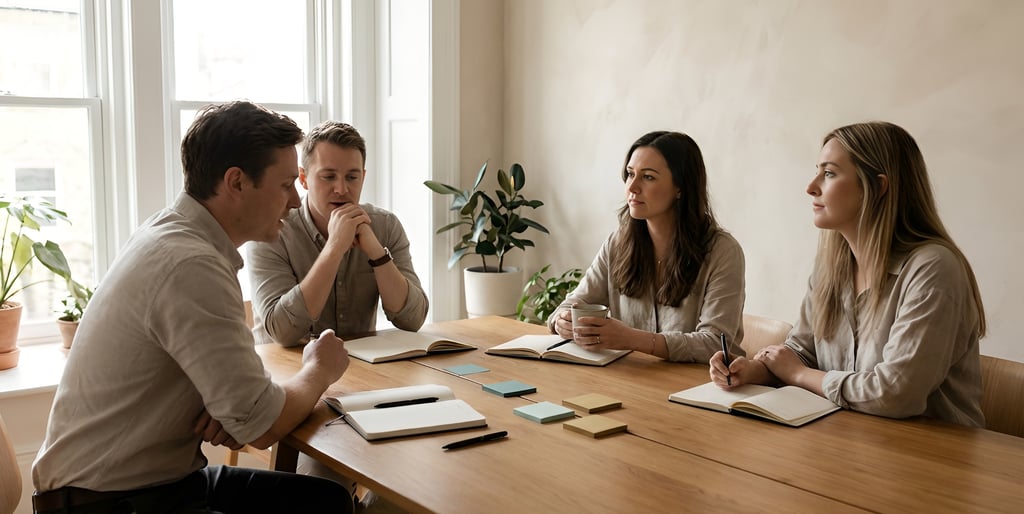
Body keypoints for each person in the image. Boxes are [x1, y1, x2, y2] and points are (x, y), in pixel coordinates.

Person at [31, 101, 354, 513]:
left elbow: (247, 411)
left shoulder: (171, 233)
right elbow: (262, 426)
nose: (295, 199)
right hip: (111, 503)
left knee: (324, 501)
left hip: (154, 485)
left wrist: (236, 408)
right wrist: (320, 368)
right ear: (236, 182)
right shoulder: (191, 264)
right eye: (286, 184)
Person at [710, 121, 986, 427]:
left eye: (829, 173)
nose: (811, 186)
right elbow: (801, 351)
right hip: (848, 440)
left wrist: (798, 375)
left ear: (878, 187)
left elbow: (894, 393)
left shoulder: (933, 269)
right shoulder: (831, 266)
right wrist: (753, 370)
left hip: (936, 459)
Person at [547, 130, 746, 362]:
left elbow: (713, 344)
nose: (632, 187)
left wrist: (633, 339)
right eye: (630, 174)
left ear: (680, 187)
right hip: (635, 379)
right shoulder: (617, 242)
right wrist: (561, 319)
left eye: (648, 177)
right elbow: (574, 303)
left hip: (699, 387)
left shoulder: (723, 252)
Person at [248, 121, 427, 347]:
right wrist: (334, 249)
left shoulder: (385, 225)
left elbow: (413, 320)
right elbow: (283, 333)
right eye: (328, 177)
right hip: (284, 371)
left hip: (359, 368)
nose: (342, 189)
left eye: (352, 177)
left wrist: (376, 252)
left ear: (362, 176)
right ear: (303, 179)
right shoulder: (271, 231)